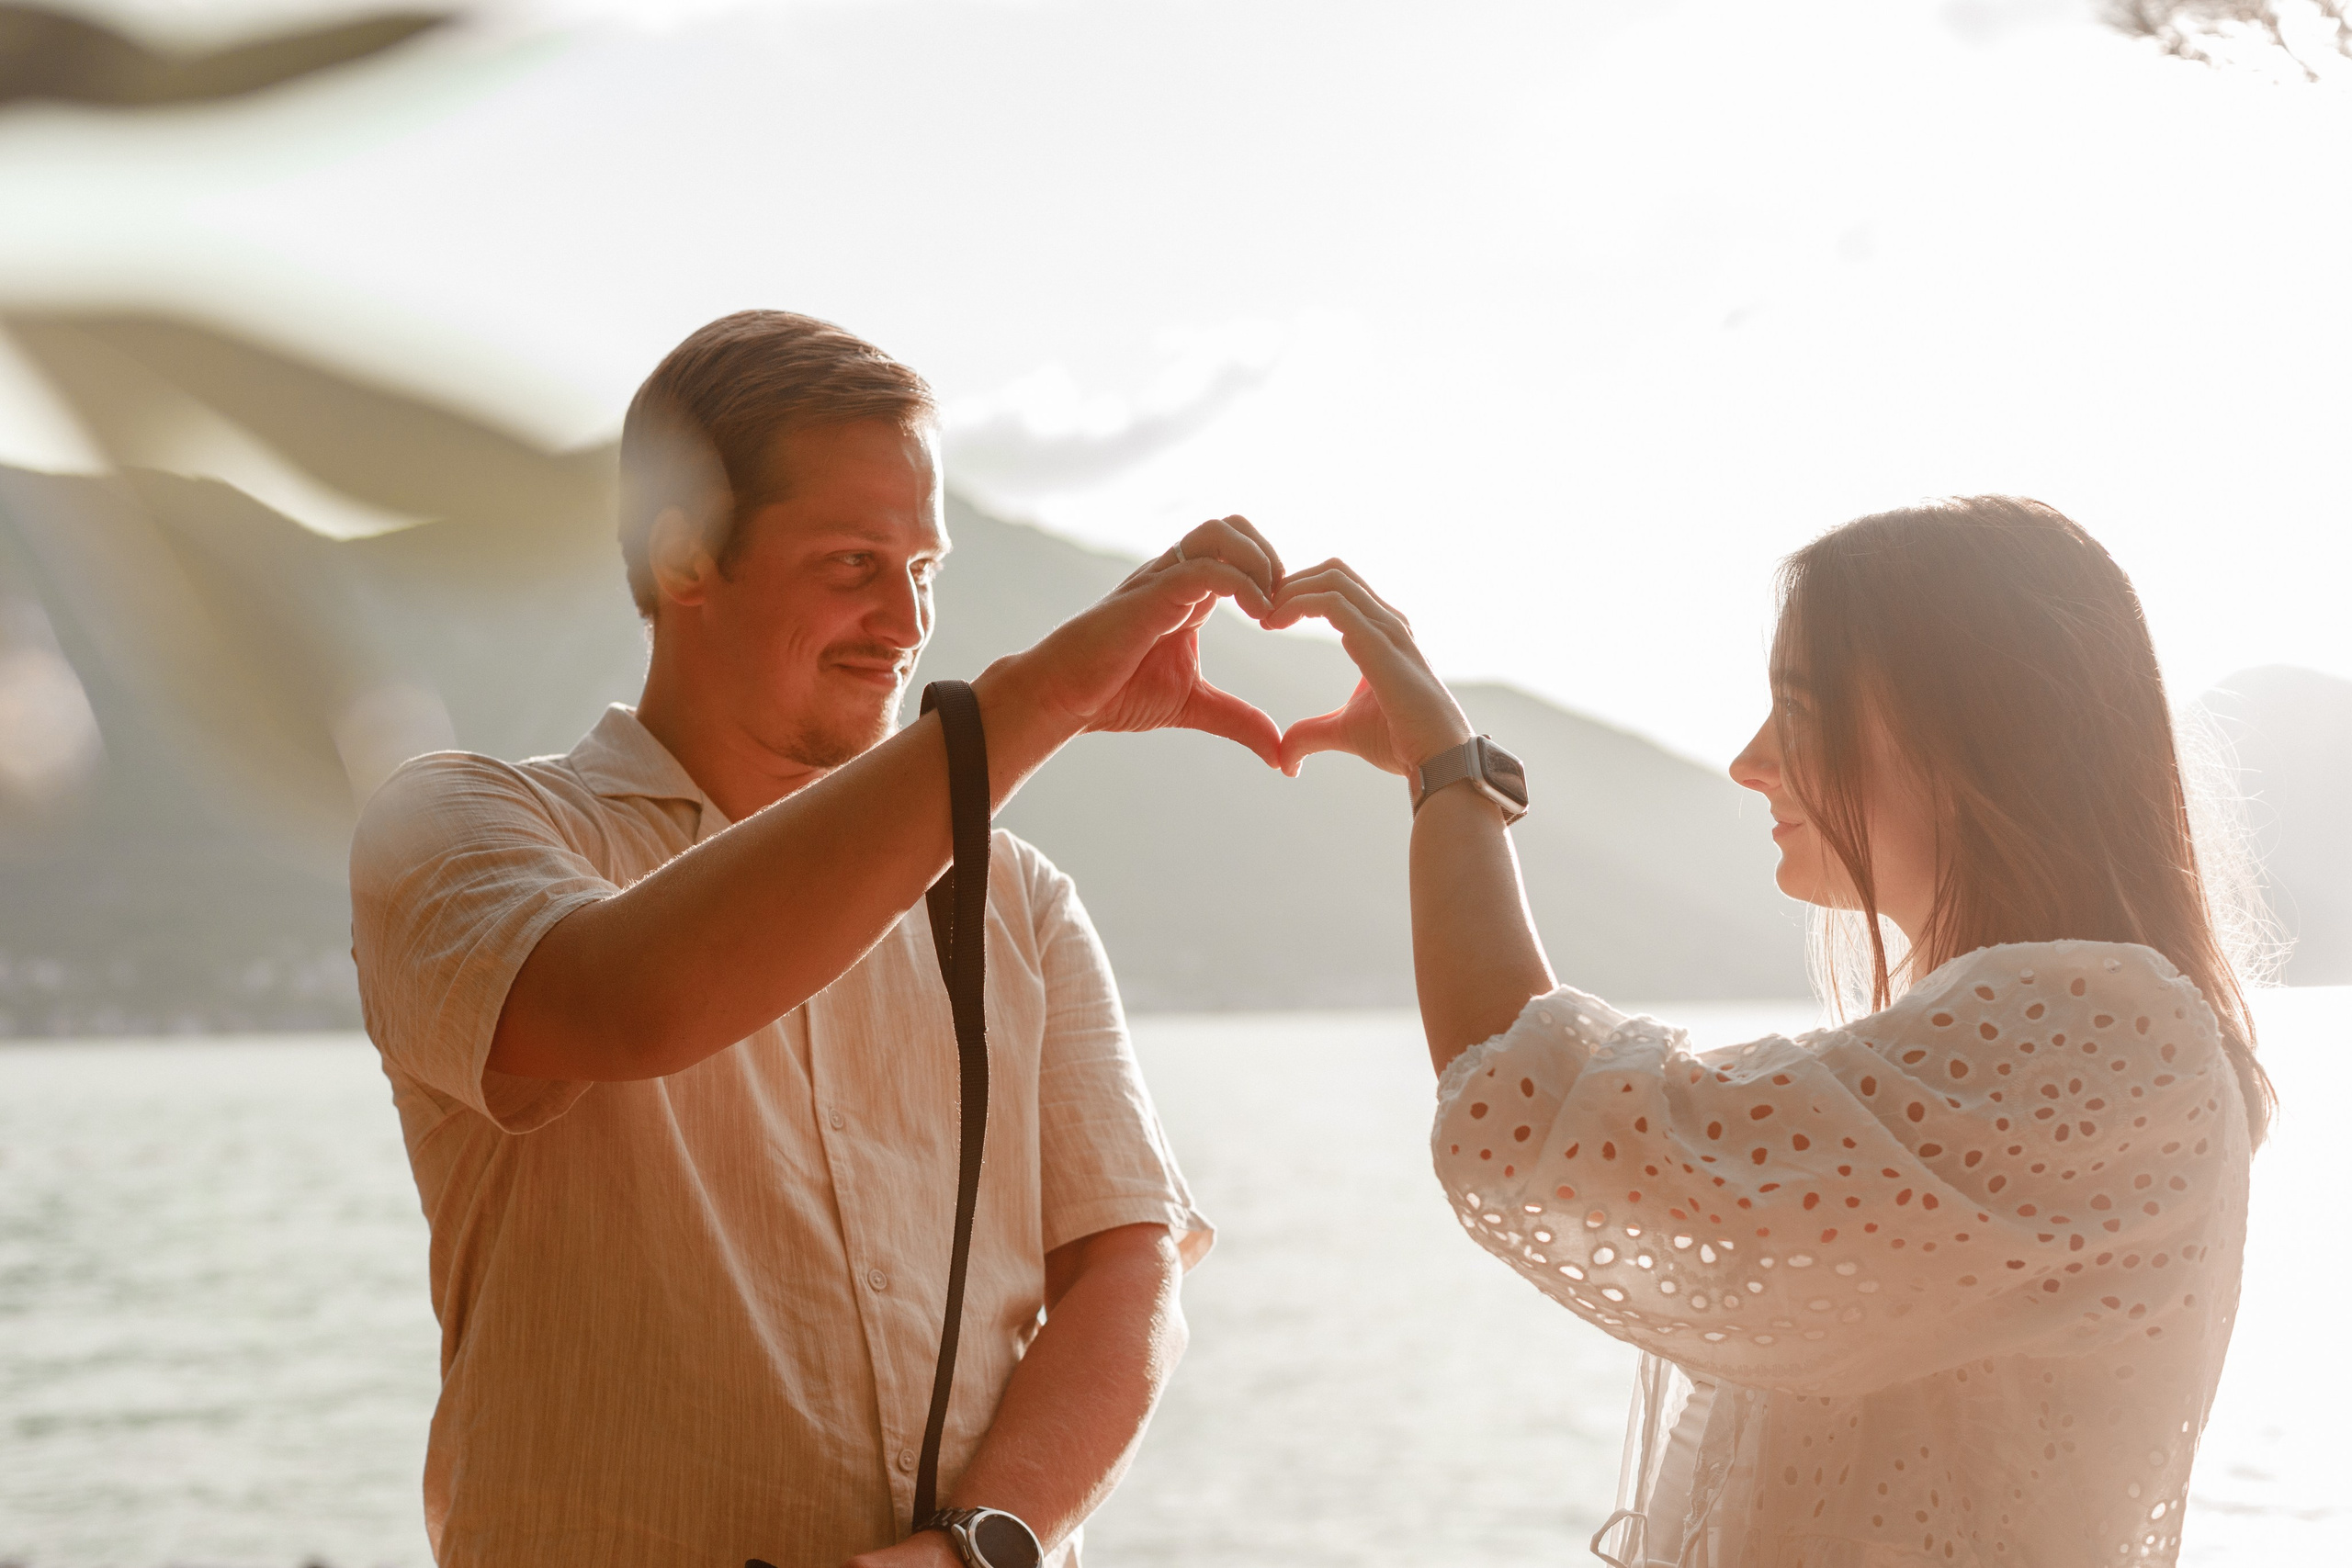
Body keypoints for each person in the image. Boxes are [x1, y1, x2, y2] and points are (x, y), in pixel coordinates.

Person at [348, 310, 1293, 1568]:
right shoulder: (456, 823)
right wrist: (1030, 701)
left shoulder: (1020, 897)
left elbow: (1129, 1264)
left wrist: (979, 1548)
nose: (907, 621)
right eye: (854, 561)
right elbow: (628, 1002)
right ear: (685, 555)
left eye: (926, 567)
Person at [1267, 496, 2269, 1568]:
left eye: (1799, 711)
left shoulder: (2104, 1041)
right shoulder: (2016, 1052)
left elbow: (1541, 1114)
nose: (1749, 762)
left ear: (1979, 725)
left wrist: (1451, 773)